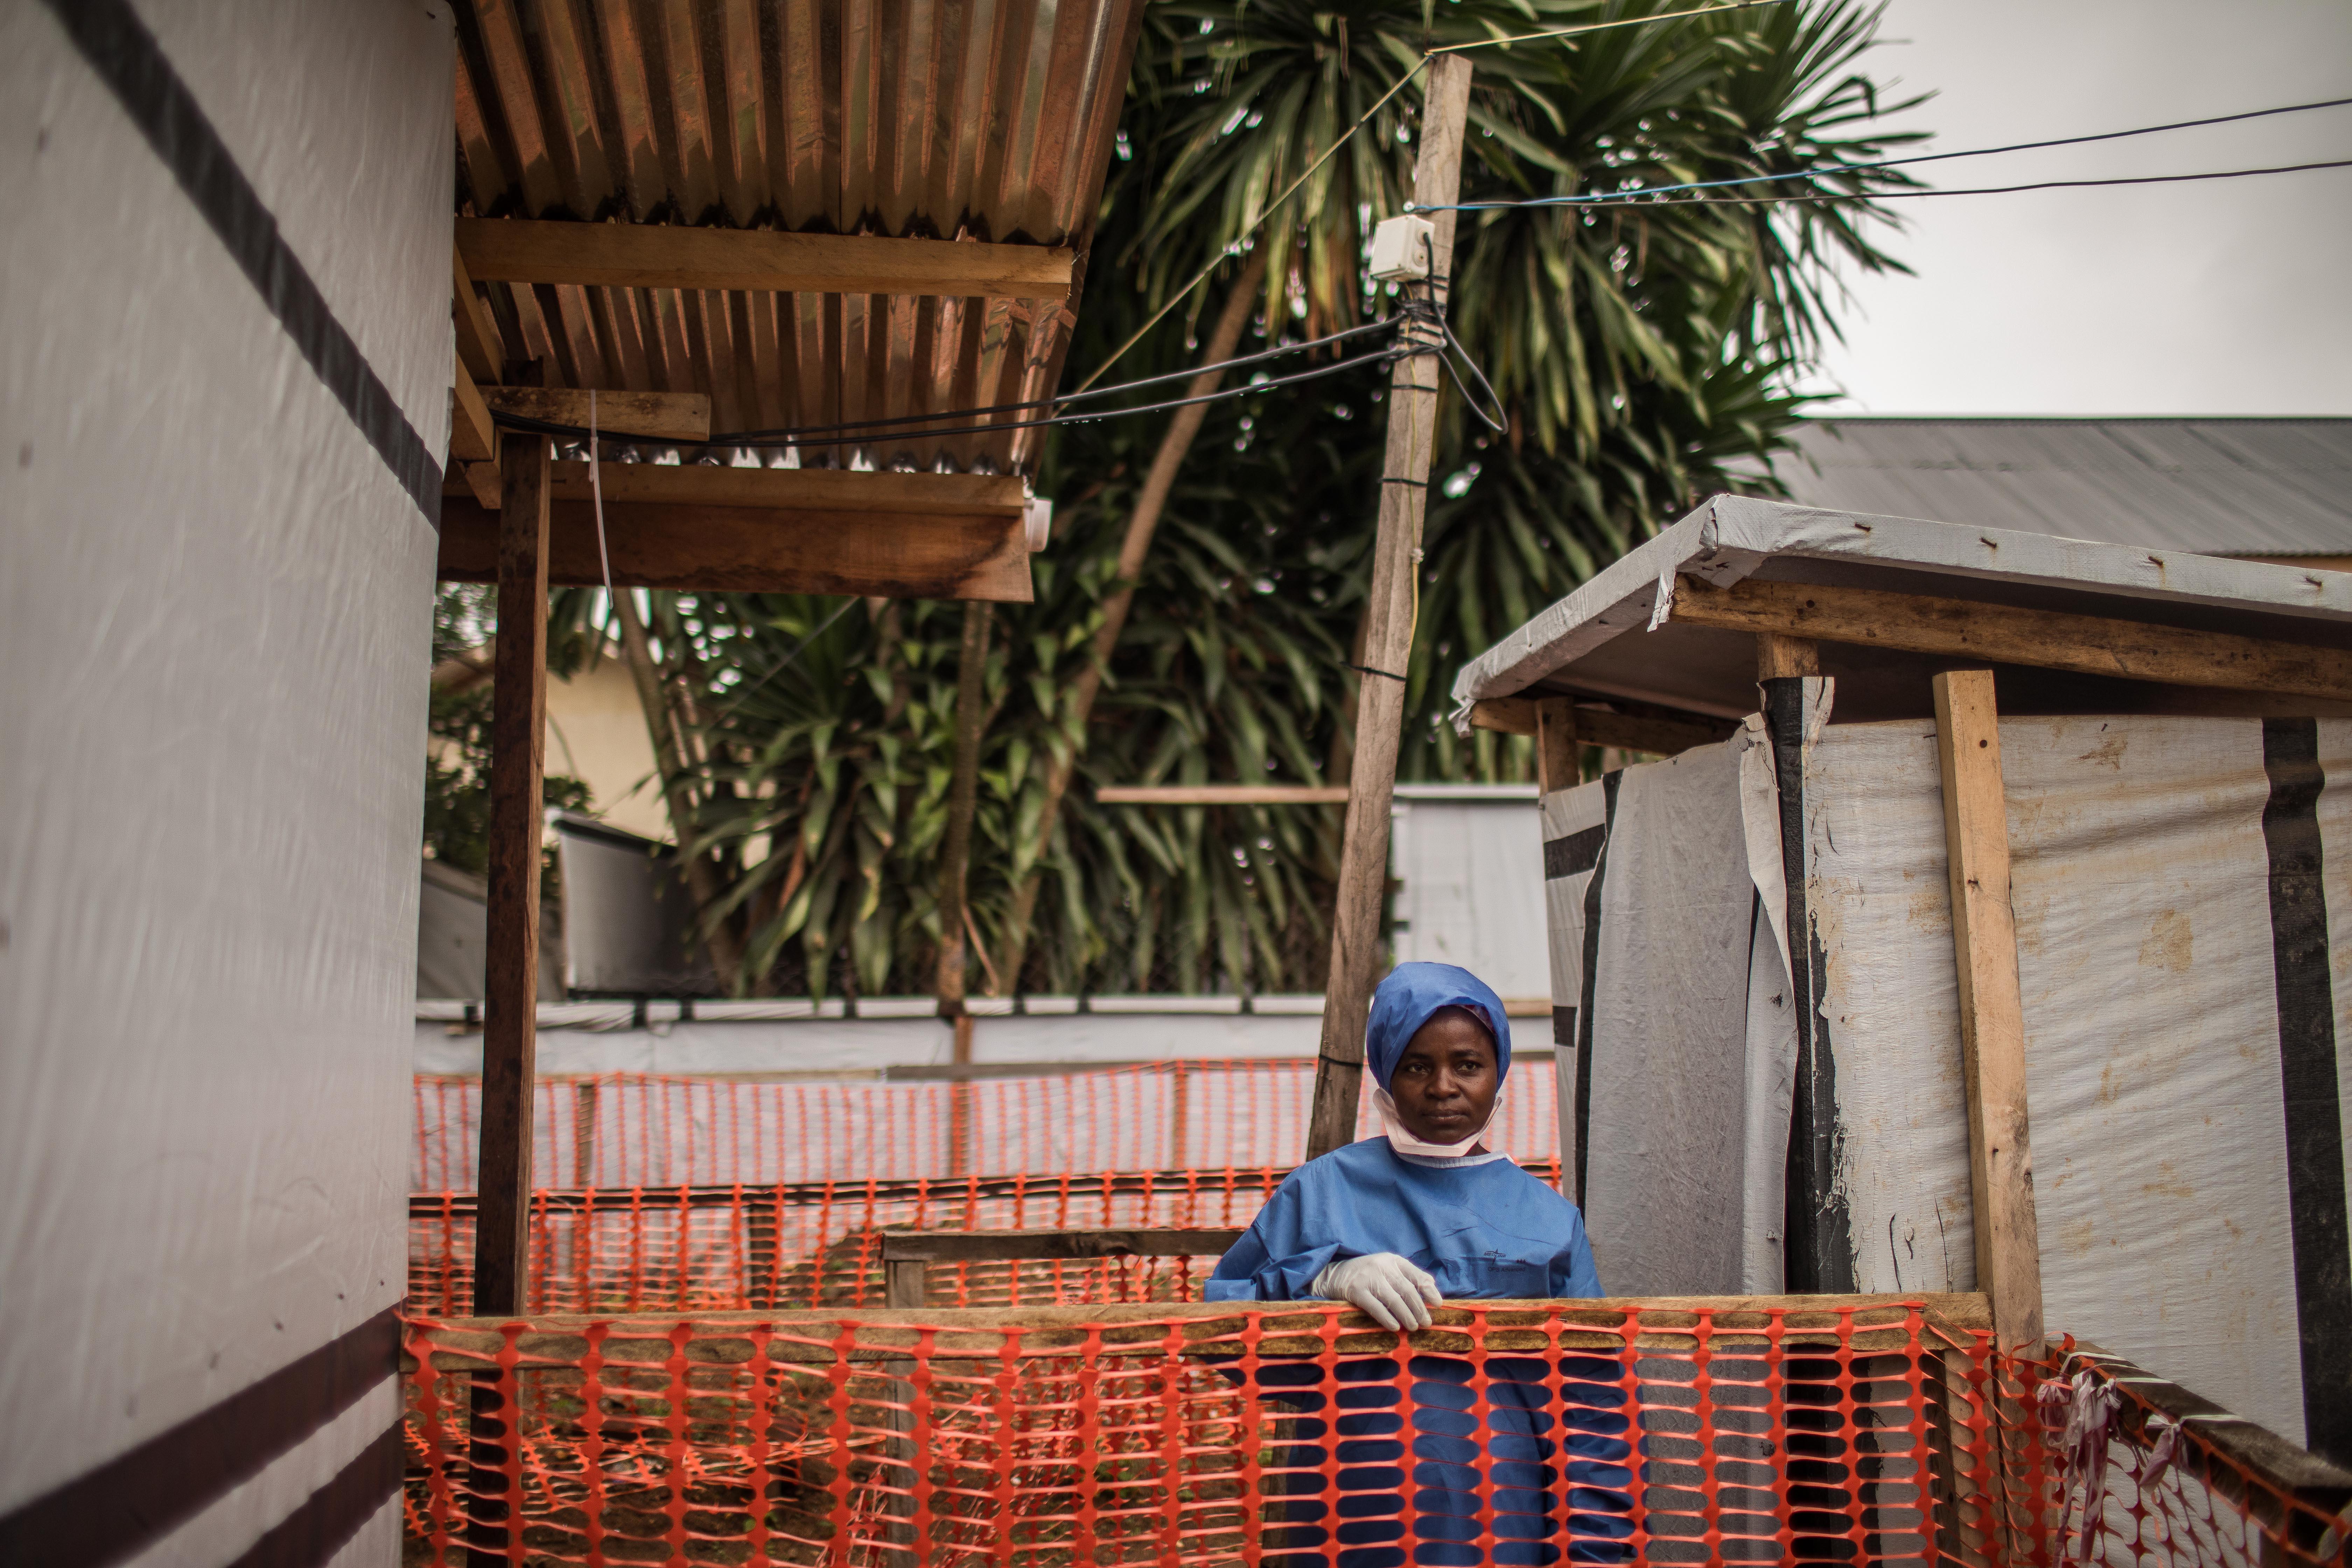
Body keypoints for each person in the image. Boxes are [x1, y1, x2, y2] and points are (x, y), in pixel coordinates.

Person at [1206, 962, 1632, 1566]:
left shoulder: (1547, 1220)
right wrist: (1320, 1279)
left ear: (1499, 1072)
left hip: (1501, 1523)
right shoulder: (1322, 1193)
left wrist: (1594, 1555)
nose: (1442, 1087)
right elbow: (1219, 1332)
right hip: (1346, 1520)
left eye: (1467, 1064)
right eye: (1416, 1066)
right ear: (1385, 1073)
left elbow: (1593, 1410)